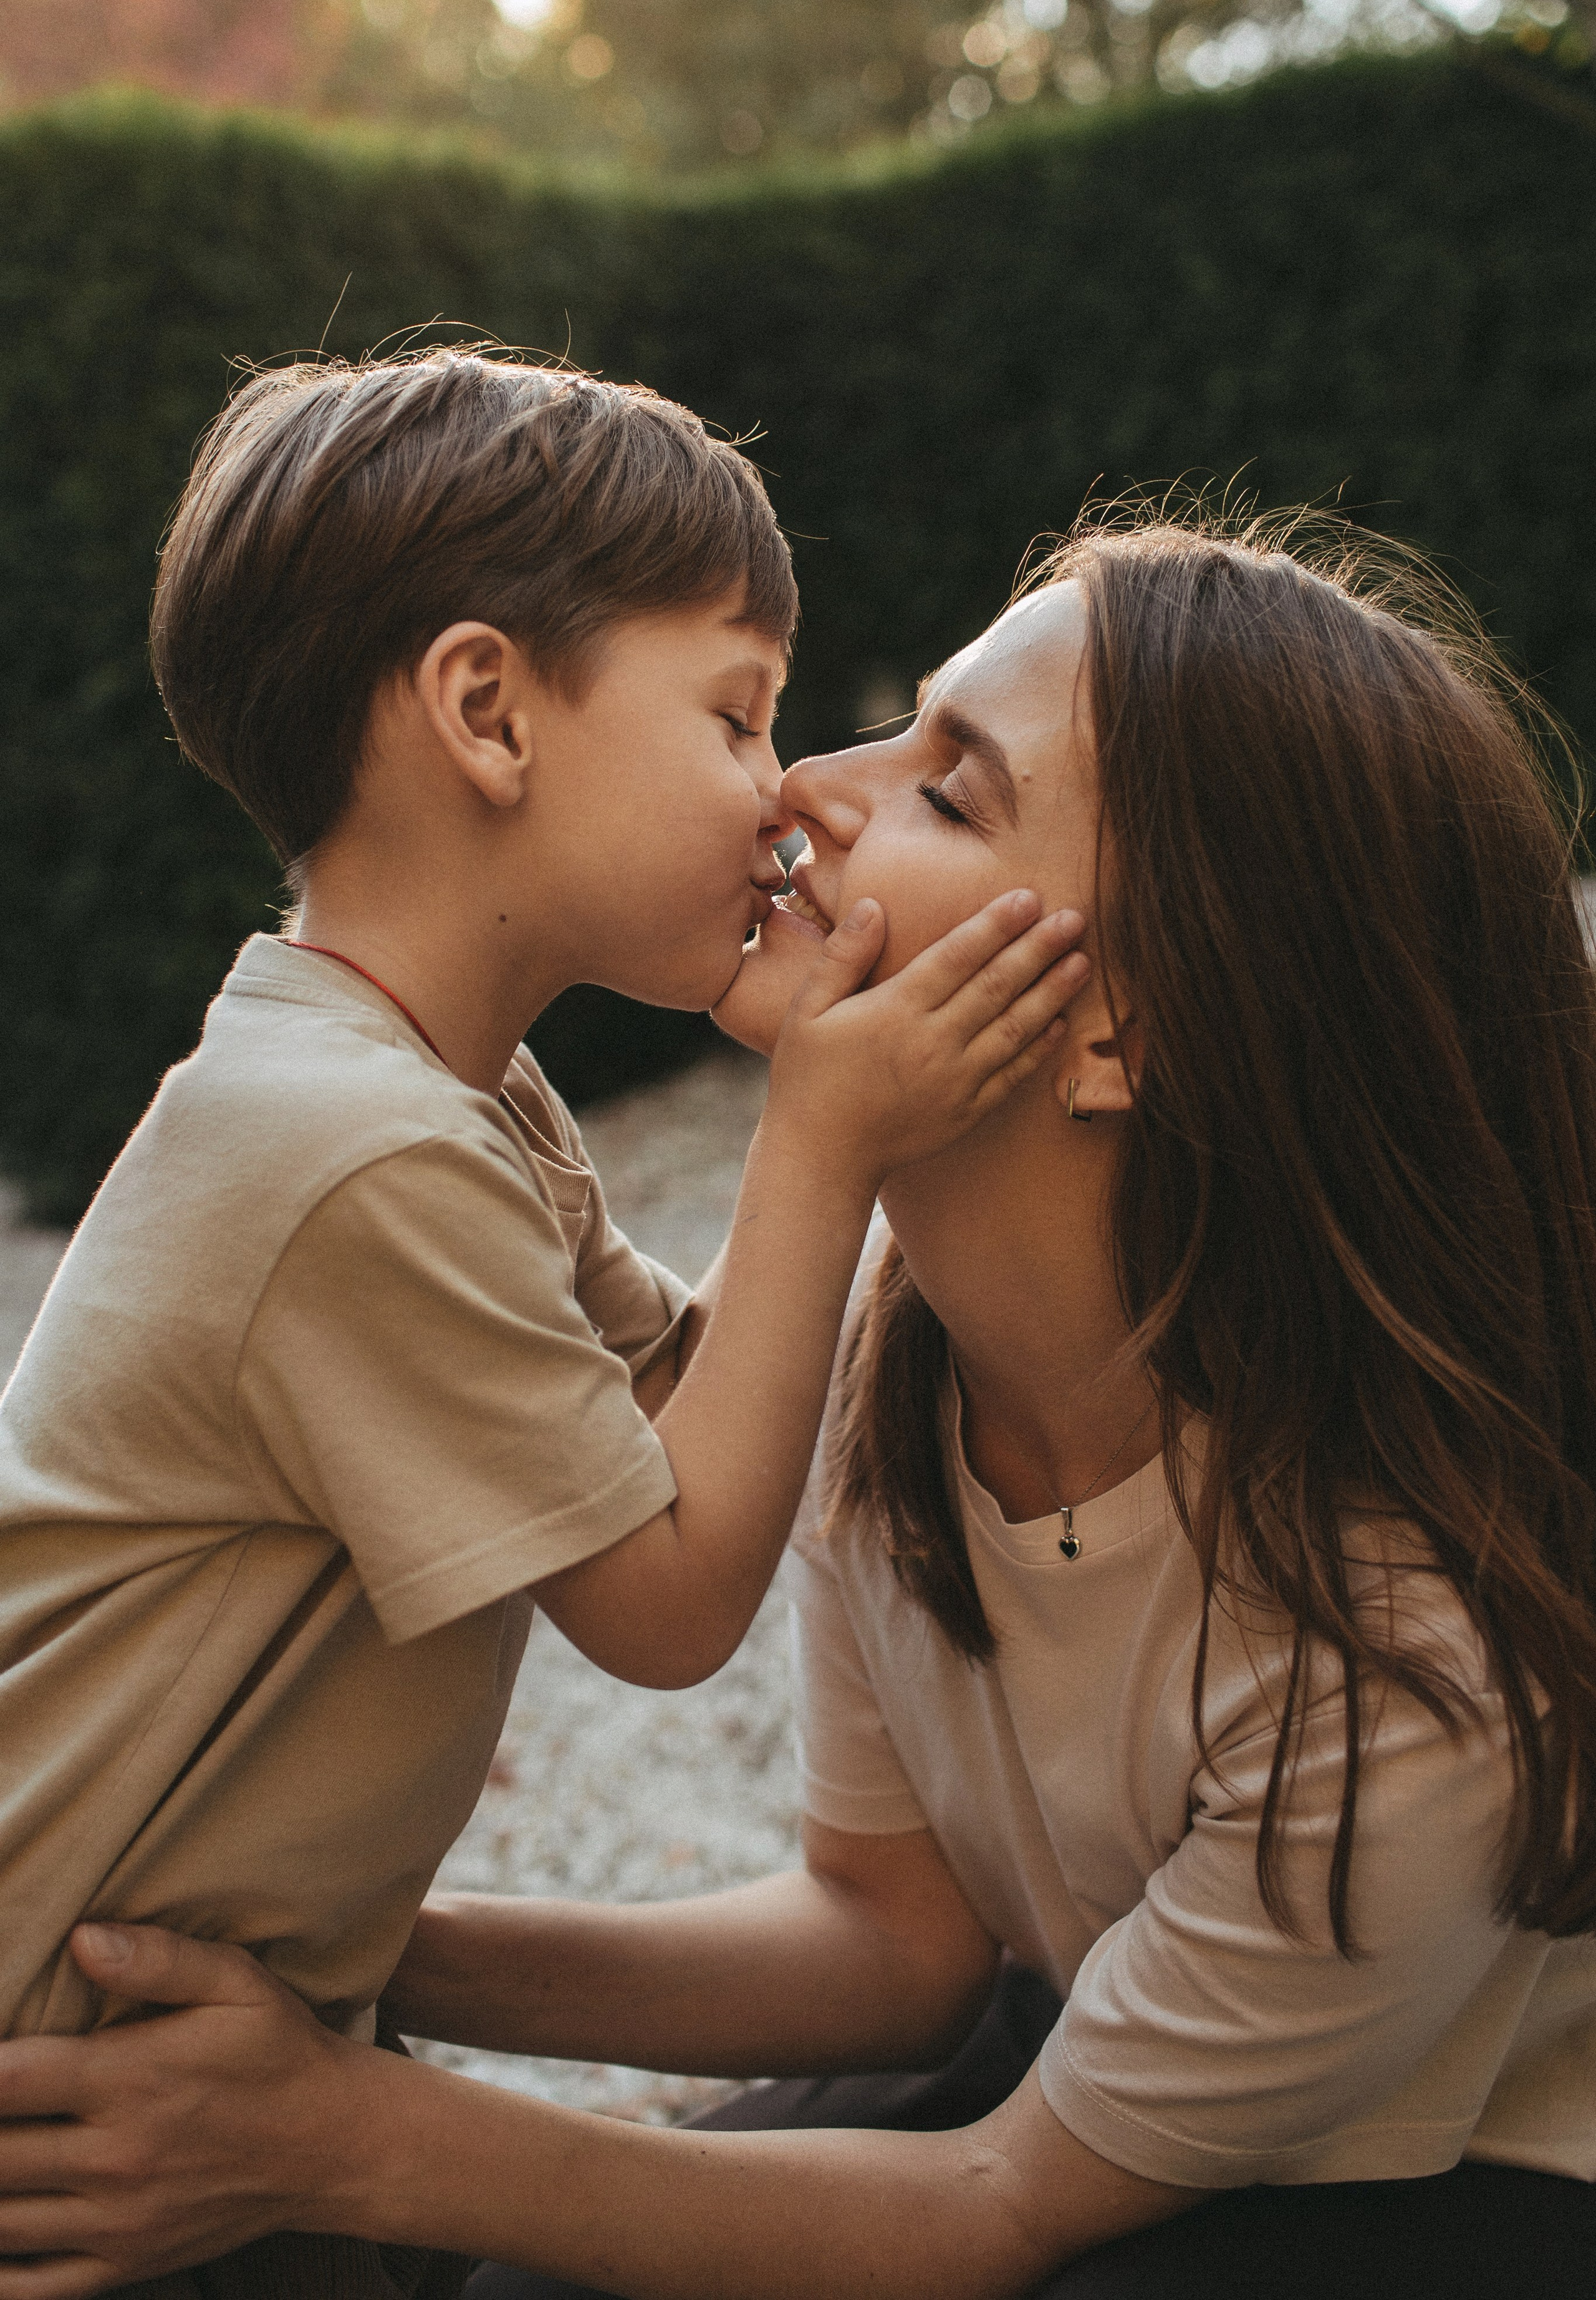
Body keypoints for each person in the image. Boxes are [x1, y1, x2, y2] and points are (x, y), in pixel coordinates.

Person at [3, 512, 1594, 2300]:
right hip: (1080, 2038)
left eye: (951, 792)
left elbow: (999, 2206)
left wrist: (342, 2136)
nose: (803, 795)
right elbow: (895, 1938)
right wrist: (329, 1961)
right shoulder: (892, 1368)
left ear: (1118, 1034)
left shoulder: (1401, 1671)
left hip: (1463, 2172)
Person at [0, 350, 1087, 2299]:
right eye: (737, 716)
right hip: (79, 2101)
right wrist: (818, 1137)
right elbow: (670, 1606)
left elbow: (715, 1397)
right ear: (489, 712)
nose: (781, 799)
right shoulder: (349, 1161)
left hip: (196, 2030)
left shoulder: (450, 1100)